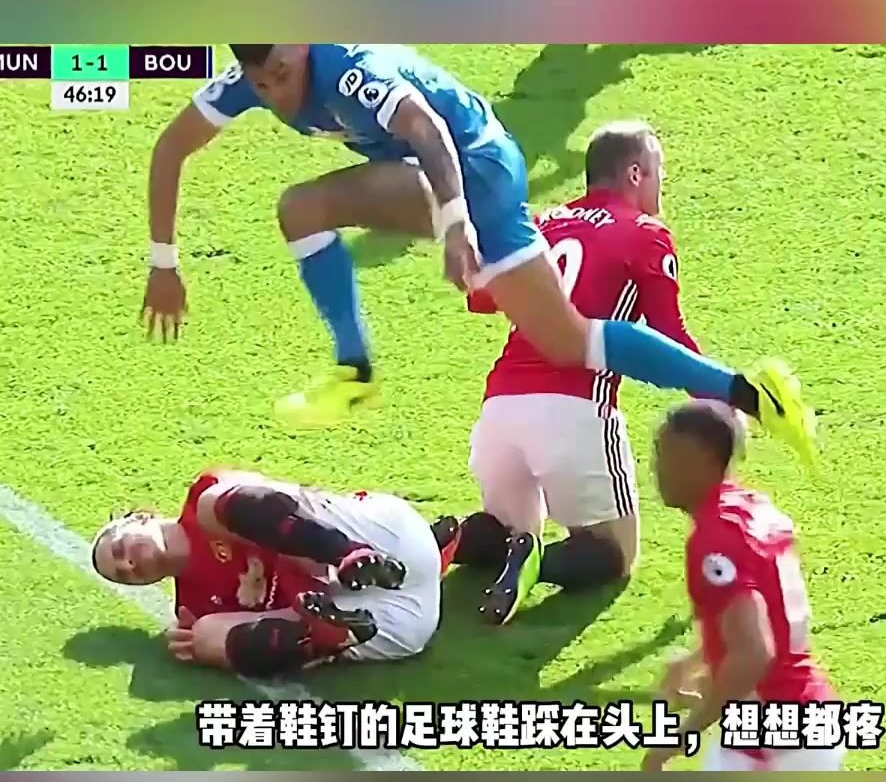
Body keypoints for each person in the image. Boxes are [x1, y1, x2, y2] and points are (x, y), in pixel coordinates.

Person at [140, 44, 816, 468]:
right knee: (570, 340)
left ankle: (354, 370)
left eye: (283, 76)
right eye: (262, 85)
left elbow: (429, 130)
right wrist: (163, 261)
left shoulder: (351, 71)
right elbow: (171, 148)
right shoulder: (251, 76)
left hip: (473, 169)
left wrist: (456, 221)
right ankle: (749, 392)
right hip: (459, 171)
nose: (277, 95)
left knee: (303, 207)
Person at [457, 120, 706, 623]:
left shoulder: (542, 225)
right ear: (634, 173)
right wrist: (717, 393)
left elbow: (480, 297)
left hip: (499, 410)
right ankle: (535, 563)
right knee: (615, 552)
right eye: (658, 170)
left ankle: (451, 538)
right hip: (576, 409)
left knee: (505, 527)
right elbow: (668, 333)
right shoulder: (645, 234)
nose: (662, 181)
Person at [91, 468, 459, 677]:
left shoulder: (203, 494)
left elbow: (280, 501)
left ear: (141, 517)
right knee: (204, 636)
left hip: (381, 539)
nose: (128, 565)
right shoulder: (194, 607)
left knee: (213, 504)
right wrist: (207, 648)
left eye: (120, 549)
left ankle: (347, 555)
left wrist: (315, 566)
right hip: (395, 622)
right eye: (123, 575)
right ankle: (324, 637)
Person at [643, 402, 841, 772]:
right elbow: (765, 617)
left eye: (666, 456)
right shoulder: (752, 508)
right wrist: (696, 661)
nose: (656, 469)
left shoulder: (714, 542)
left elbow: (753, 653)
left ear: (700, 461)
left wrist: (683, 734)